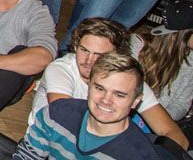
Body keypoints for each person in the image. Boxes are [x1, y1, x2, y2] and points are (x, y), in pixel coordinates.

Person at [32, 17, 189, 149]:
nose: (88, 61)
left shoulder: (128, 79)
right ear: (75, 46)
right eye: (84, 50)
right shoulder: (61, 70)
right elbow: (65, 122)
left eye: (99, 55)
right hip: (50, 144)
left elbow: (174, 134)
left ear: (116, 55)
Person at [15, 53, 162, 160]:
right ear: (89, 87)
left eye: (119, 95)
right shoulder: (56, 114)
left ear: (136, 101)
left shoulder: (138, 155)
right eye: (99, 88)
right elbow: (26, 156)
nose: (106, 100)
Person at [135, 3, 193, 141]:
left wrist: (160, 118)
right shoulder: (139, 46)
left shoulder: (191, 59)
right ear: (183, 34)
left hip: (160, 123)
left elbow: (183, 103)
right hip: (129, 113)